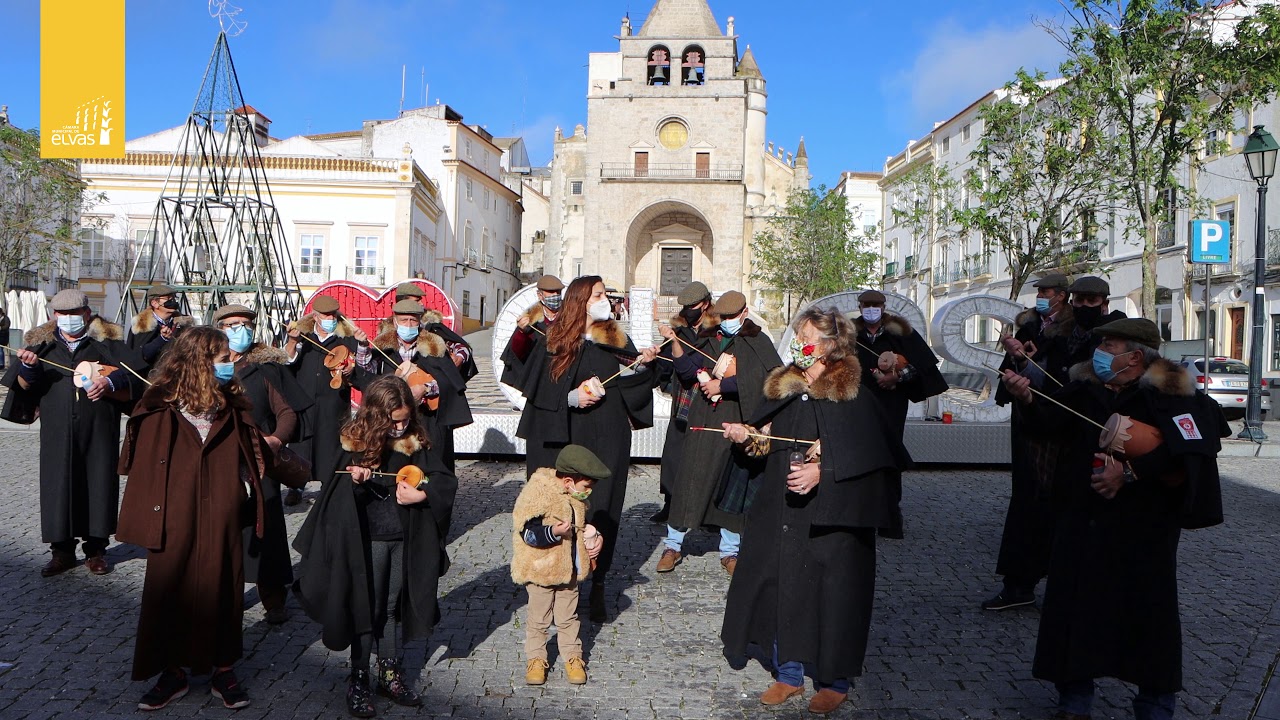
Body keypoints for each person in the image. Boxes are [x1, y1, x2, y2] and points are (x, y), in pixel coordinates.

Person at [1001, 318, 1226, 720]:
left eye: (1110, 344)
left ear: (1136, 356)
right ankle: (1074, 700)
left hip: (1143, 528)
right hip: (1081, 520)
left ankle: (1154, 704)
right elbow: (1051, 425)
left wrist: (1129, 475)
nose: (1100, 351)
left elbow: (1193, 449)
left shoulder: (1174, 395)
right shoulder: (1087, 388)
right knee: (1075, 611)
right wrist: (1027, 399)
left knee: (1148, 617)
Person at [721, 307, 911, 715]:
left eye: (805, 336)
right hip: (782, 508)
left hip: (835, 517)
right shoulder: (785, 386)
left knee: (834, 596)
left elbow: (876, 454)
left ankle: (833, 680)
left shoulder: (853, 391)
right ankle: (788, 674)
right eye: (797, 336)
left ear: (830, 345)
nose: (797, 344)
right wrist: (750, 436)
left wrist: (822, 471)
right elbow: (765, 440)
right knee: (781, 585)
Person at [116, 326, 309, 711]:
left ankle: (223, 668)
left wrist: (266, 469)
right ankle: (172, 671)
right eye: (223, 360)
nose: (231, 365)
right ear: (201, 364)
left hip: (222, 509)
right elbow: (137, 461)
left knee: (223, 587)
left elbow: (252, 450)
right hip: (173, 513)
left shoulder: (232, 404)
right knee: (170, 589)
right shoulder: (159, 407)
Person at [293, 376, 457, 718]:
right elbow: (335, 497)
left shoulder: (417, 439)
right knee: (368, 606)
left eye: (404, 419)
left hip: (405, 537)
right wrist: (356, 484)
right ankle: (359, 678)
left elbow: (443, 479)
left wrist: (423, 493)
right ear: (377, 416)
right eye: (393, 421)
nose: (400, 427)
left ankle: (390, 673)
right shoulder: (353, 443)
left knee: (393, 606)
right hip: (368, 538)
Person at [514, 275, 659, 623]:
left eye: (605, 295)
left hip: (606, 436)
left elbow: (631, 387)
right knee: (561, 509)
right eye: (597, 294)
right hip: (562, 437)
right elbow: (536, 395)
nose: (605, 300)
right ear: (580, 300)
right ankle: (557, 583)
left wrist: (643, 366)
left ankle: (598, 583)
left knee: (603, 505)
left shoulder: (615, 339)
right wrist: (570, 398)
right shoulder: (552, 341)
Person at [984, 274, 1124, 611]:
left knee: (1077, 516)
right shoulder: (1054, 334)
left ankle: (1074, 591)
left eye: (1091, 302)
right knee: (1030, 506)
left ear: (1104, 304)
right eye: (1080, 301)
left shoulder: (1114, 337)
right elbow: (1040, 375)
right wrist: (1020, 362)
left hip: (1087, 436)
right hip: (1045, 429)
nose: (1084, 307)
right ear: (1070, 301)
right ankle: (1019, 584)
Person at [0, 289, 144, 576]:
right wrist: (28, 369)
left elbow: (137, 374)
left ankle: (96, 550)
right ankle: (61, 551)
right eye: (62, 315)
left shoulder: (105, 342)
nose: (68, 319)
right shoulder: (42, 345)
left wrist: (111, 382)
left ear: (87, 314)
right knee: (58, 484)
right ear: (54, 316)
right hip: (57, 429)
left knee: (98, 481)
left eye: (74, 314)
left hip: (99, 428)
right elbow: (27, 387)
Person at [656, 290, 781, 575]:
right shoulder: (710, 338)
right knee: (689, 478)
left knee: (731, 484)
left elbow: (768, 379)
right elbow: (688, 372)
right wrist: (675, 345)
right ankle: (673, 545)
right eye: (723, 317)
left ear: (744, 313)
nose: (727, 322)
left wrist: (722, 386)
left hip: (735, 420)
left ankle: (730, 551)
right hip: (703, 419)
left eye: (732, 317)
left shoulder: (758, 341)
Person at [213, 304, 313, 625]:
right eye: (231, 324)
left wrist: (275, 441)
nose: (239, 330)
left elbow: (287, 413)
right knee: (225, 531)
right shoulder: (206, 367)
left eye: (244, 324)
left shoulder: (265, 367)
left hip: (259, 463)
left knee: (266, 530)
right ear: (219, 329)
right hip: (220, 465)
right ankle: (226, 594)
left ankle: (273, 598)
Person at [851, 289, 945, 540]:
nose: (871, 309)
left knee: (889, 457)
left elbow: (922, 364)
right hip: (857, 406)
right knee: (857, 457)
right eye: (866, 305)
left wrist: (897, 377)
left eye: (876, 305)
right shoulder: (850, 333)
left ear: (883, 307)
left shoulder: (900, 332)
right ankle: (859, 515)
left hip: (890, 404)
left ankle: (890, 516)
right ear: (859, 307)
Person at [511, 444, 608, 687]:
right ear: (568, 481)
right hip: (541, 570)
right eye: (586, 487)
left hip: (569, 572)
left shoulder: (575, 496)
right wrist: (552, 532)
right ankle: (536, 659)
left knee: (568, 617)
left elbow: (581, 526)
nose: (588, 493)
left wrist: (593, 534)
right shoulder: (539, 493)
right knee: (539, 618)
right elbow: (527, 533)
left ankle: (573, 657)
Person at [283, 294, 373, 506]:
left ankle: (328, 485)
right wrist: (292, 342)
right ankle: (295, 485)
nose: (330, 319)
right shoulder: (303, 337)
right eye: (325, 315)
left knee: (330, 444)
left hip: (334, 402)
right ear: (315, 316)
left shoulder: (345, 339)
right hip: (303, 401)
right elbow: (287, 362)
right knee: (300, 444)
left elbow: (362, 367)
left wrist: (359, 351)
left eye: (333, 315)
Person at [369, 299, 473, 473]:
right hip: (396, 423)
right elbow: (369, 377)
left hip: (429, 419)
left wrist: (425, 388)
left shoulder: (435, 346)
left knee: (434, 465)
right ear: (395, 321)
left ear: (419, 321)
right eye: (404, 320)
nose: (408, 324)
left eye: (413, 320)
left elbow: (450, 380)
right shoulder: (383, 348)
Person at [652, 281, 715, 524]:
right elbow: (666, 366)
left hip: (710, 401)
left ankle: (708, 513)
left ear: (705, 305)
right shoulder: (678, 333)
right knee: (675, 454)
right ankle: (671, 503)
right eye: (685, 307)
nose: (688, 311)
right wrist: (654, 361)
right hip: (684, 400)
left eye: (693, 306)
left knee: (706, 456)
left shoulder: (716, 332)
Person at [381, 282, 477, 382]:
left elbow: (459, 344)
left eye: (413, 321)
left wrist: (459, 357)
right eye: (417, 301)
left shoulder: (432, 327)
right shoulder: (386, 335)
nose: (421, 304)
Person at [500, 274, 563, 391]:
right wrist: (521, 332)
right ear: (540, 295)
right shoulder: (531, 319)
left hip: (562, 374)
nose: (555, 295)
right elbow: (519, 353)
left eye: (558, 292)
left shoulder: (570, 316)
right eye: (551, 292)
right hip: (537, 376)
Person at [127, 284, 194, 371]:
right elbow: (140, 355)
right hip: (150, 377)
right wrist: (162, 339)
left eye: (174, 298)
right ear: (155, 303)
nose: (173, 302)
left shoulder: (182, 325)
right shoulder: (142, 326)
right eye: (168, 299)